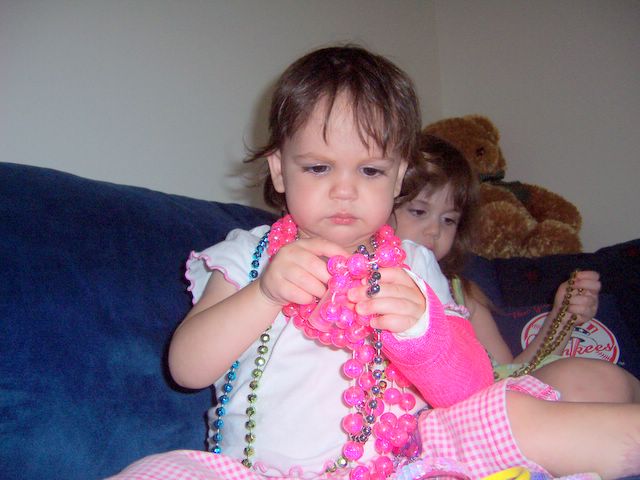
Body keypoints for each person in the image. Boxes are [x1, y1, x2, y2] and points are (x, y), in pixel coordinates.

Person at [110, 46, 640, 480]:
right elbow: (187, 368)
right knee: (157, 471)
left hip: (409, 462)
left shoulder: (413, 264)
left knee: (512, 412)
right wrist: (264, 293)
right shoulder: (247, 256)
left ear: (399, 176)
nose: (344, 190)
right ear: (279, 171)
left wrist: (422, 331)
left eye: (369, 171)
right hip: (260, 472)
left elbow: (469, 389)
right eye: (318, 167)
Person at [392, 134, 640, 404]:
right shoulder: (366, 280)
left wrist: (562, 317)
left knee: (600, 381)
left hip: (483, 410)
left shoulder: (462, 294)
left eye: (449, 220)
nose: (435, 230)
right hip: (414, 417)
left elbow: (511, 376)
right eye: (418, 212)